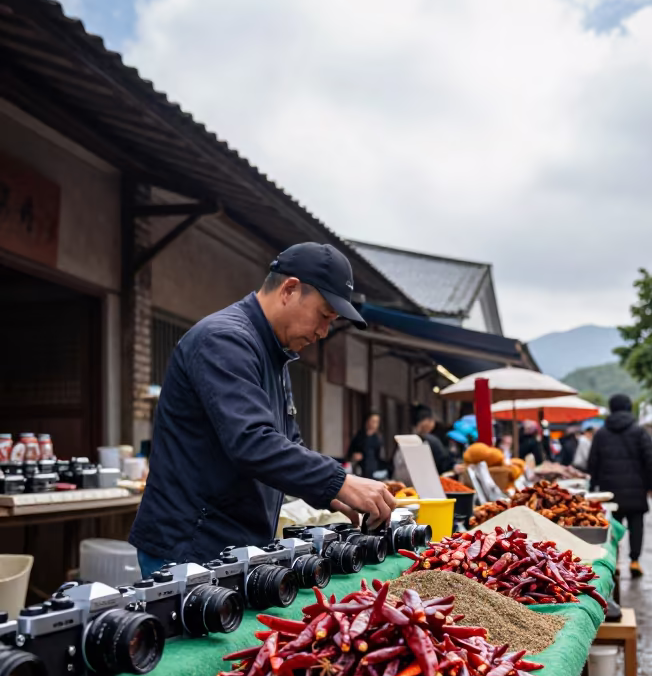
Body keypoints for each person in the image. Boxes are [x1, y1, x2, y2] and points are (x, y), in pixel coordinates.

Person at [130, 243, 396, 574]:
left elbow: (287, 441)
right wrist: (338, 480)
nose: (324, 332)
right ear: (290, 289)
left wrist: (331, 494)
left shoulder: (273, 352)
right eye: (324, 315)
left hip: (232, 541)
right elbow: (252, 442)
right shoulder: (224, 339)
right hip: (192, 544)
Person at [588, 393, 652, 577]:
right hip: (636, 489)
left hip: (609, 491)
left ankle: (615, 561)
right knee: (637, 526)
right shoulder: (639, 432)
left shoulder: (601, 434)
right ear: (628, 408)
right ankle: (635, 561)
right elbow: (651, 460)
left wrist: (592, 487)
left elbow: (592, 462)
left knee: (612, 525)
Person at [346, 410, 387, 479]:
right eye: (373, 421)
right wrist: (353, 456)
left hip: (375, 471)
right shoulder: (359, 436)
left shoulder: (378, 437)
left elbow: (381, 456)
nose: (375, 424)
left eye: (377, 422)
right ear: (367, 421)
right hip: (360, 470)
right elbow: (350, 453)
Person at [412, 407, 453, 474]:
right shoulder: (424, 436)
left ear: (429, 420)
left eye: (422, 426)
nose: (421, 429)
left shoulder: (442, 431)